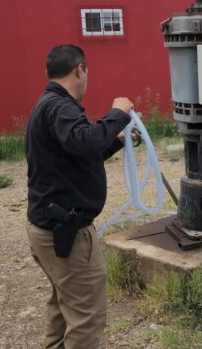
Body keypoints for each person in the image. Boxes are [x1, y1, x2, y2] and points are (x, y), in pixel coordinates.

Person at [25, 44, 133, 349]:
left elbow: (79, 154)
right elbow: (85, 142)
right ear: (79, 70)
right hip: (67, 235)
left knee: (64, 308)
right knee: (87, 317)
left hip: (49, 230)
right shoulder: (60, 107)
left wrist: (116, 141)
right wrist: (118, 114)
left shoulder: (48, 106)